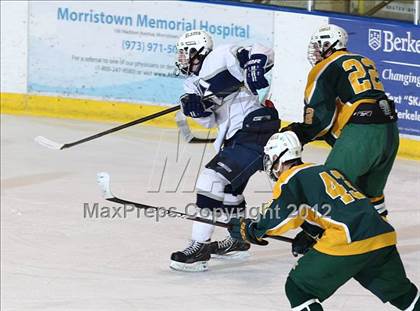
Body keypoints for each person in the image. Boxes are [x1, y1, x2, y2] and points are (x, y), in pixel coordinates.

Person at [228, 131, 419, 310]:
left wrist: (252, 230)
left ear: (279, 158)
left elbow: (280, 215)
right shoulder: (325, 170)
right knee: (402, 295)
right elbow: (336, 210)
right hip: (381, 233)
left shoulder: (290, 179)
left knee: (298, 288)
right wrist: (312, 234)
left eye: (270, 159)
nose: (269, 164)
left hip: (348, 238)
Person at [170, 30, 280, 272]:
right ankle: (238, 240)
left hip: (255, 128)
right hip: (235, 136)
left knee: (210, 179)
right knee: (230, 191)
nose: (180, 58)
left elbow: (261, 50)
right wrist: (196, 109)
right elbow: (210, 122)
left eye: (183, 52)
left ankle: (199, 247)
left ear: (196, 51)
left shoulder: (220, 56)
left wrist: (255, 64)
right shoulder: (192, 85)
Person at [281, 24, 399, 217]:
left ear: (329, 44)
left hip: (363, 134)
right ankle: (378, 240)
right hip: (390, 132)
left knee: (331, 189)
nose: (316, 52)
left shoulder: (324, 67)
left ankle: (320, 240)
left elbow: (320, 119)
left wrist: (299, 133)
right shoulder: (365, 60)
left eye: (319, 46)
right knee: (372, 196)